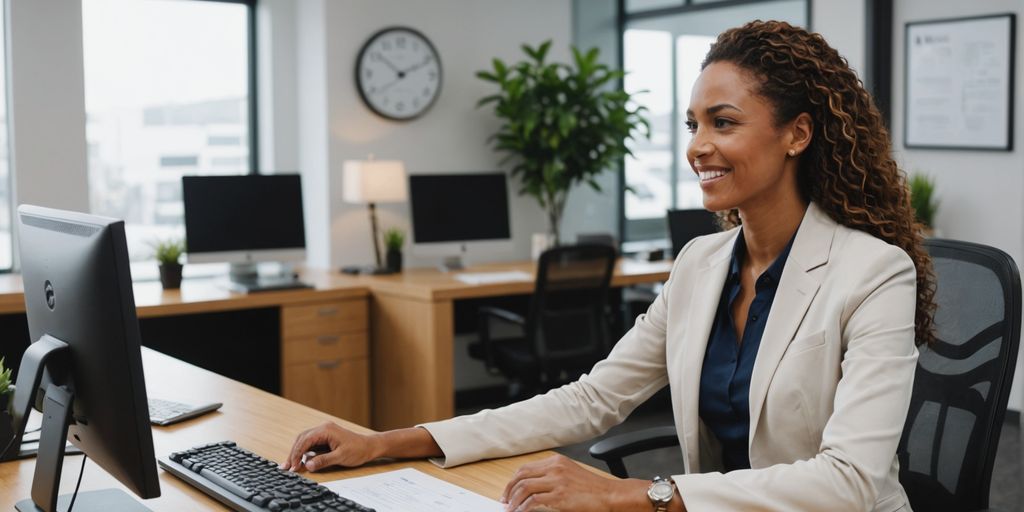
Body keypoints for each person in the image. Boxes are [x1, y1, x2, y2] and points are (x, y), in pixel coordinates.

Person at [282, 20, 936, 512]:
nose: (698, 147)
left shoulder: (873, 274)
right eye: (691, 124)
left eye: (724, 122)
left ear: (797, 133)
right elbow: (593, 398)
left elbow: (852, 479)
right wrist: (390, 441)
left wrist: (634, 495)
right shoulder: (700, 264)